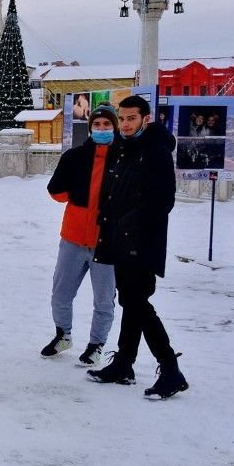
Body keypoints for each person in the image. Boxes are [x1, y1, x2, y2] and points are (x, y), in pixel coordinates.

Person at [87, 94, 188, 399]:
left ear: (146, 118)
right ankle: (124, 364)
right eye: (124, 118)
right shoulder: (124, 149)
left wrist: (128, 223)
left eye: (132, 118)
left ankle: (170, 369)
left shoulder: (155, 151)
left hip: (142, 241)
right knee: (131, 302)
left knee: (138, 304)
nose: (126, 124)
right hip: (120, 239)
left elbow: (162, 201)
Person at [42, 105, 119, 367]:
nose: (101, 130)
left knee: (104, 299)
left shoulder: (124, 158)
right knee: (60, 293)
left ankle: (97, 344)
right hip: (73, 237)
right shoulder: (74, 156)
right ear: (90, 129)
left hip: (107, 241)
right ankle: (63, 334)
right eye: (97, 126)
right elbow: (56, 191)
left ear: (114, 128)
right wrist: (75, 192)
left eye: (106, 126)